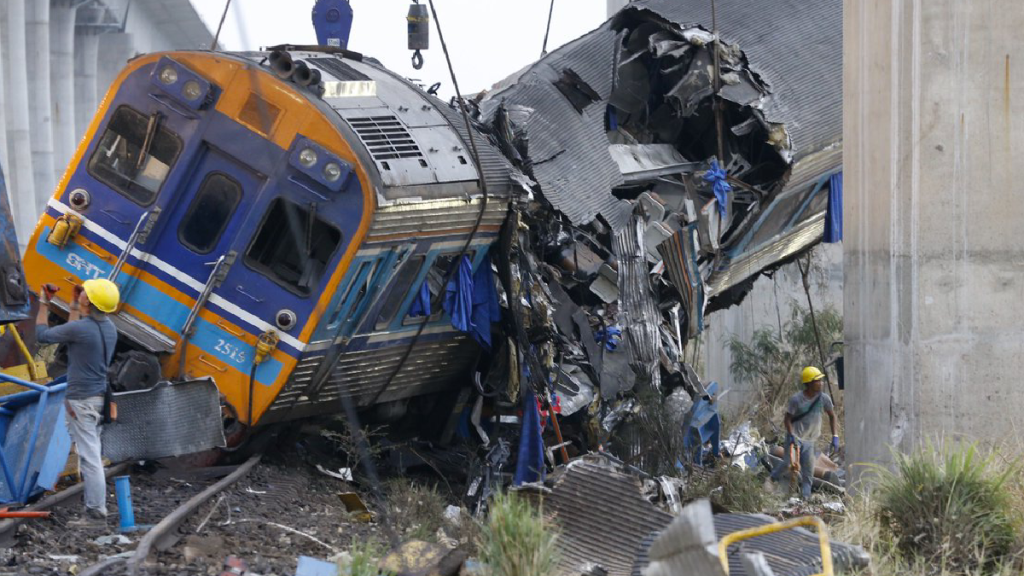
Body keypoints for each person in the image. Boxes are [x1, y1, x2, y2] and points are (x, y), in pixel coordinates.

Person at [36, 279, 119, 524]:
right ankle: (91, 506)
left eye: (86, 293)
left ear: (90, 302)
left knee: (90, 458)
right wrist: (73, 305)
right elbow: (75, 332)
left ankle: (96, 513)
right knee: (90, 453)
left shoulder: (83, 329)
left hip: (81, 402)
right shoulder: (108, 327)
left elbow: (42, 336)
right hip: (98, 399)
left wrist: (44, 304)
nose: (82, 292)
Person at [770, 366, 839, 499]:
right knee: (789, 463)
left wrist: (835, 436)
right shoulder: (796, 400)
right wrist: (791, 436)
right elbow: (787, 420)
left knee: (808, 473)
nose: (821, 383)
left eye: (820, 380)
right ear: (809, 383)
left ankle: (805, 499)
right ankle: (772, 479)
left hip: (810, 441)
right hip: (795, 438)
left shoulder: (824, 399)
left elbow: (832, 416)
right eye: (817, 380)